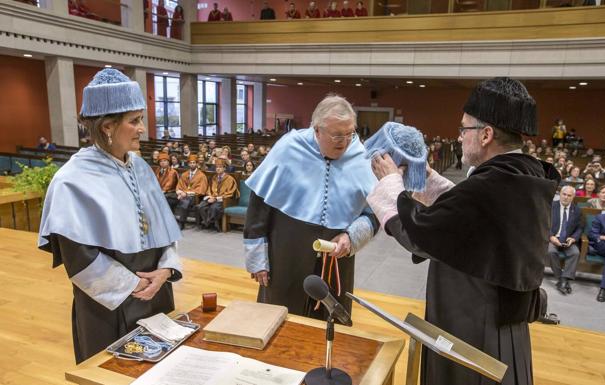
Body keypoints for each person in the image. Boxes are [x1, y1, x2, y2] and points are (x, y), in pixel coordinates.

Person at [367, 77, 559, 385]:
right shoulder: (522, 175)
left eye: (463, 129)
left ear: (485, 135)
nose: (459, 137)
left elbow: (421, 235)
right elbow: (473, 221)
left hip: (474, 326)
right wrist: (428, 179)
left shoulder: (491, 186)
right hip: (503, 322)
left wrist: (391, 184)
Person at [38, 68, 182, 363]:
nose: (143, 128)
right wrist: (134, 284)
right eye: (135, 121)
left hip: (157, 293)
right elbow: (78, 256)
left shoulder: (140, 168)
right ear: (107, 126)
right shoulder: (72, 180)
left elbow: (162, 229)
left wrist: (165, 271)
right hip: (110, 304)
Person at [244, 95, 379, 321]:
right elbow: (259, 206)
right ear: (317, 130)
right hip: (286, 253)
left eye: (350, 134)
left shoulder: (360, 155)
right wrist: (257, 260)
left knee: (330, 320)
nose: (344, 142)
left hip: (336, 257)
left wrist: (351, 237)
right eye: (337, 135)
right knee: (279, 320)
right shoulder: (289, 147)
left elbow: (374, 213)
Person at [548, 186, 582, 295]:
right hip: (553, 238)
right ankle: (561, 279)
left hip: (568, 240)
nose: (566, 197)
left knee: (575, 253)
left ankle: (564, 279)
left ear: (573, 197)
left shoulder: (577, 210)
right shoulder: (551, 206)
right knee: (551, 251)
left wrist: (573, 238)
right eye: (564, 194)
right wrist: (551, 237)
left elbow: (580, 227)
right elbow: (543, 223)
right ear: (560, 194)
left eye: (569, 195)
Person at [197, 159, 239, 231]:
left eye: (220, 167)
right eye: (217, 167)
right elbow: (209, 189)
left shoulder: (230, 179)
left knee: (214, 208)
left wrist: (216, 199)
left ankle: (209, 222)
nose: (218, 169)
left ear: (224, 168)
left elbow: (230, 193)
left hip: (223, 200)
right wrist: (210, 197)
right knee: (200, 206)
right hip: (212, 197)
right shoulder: (213, 177)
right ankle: (209, 222)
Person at [174, 154, 208, 229]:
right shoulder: (184, 174)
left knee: (185, 201)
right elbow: (179, 186)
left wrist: (186, 193)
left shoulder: (201, 175)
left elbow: (201, 190)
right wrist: (180, 193)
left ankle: (181, 222)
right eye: (190, 163)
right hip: (182, 195)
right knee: (170, 199)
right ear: (188, 163)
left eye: (194, 163)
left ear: (197, 164)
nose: (192, 164)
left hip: (194, 197)